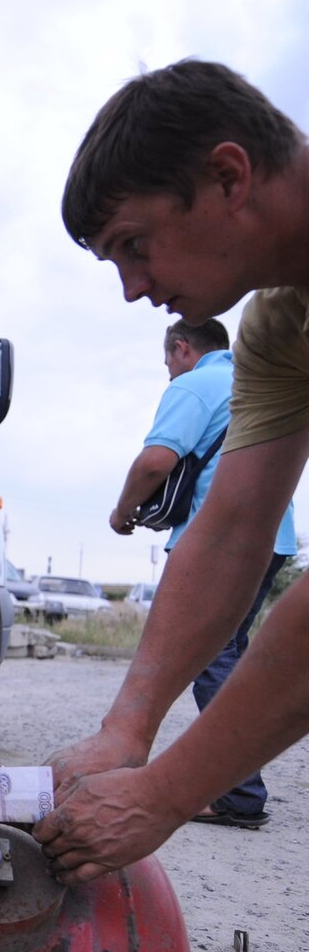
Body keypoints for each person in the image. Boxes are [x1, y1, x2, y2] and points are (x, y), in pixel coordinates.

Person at [33, 58, 309, 885]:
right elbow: (227, 532)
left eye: (135, 246)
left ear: (228, 175)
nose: (132, 289)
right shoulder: (277, 326)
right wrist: (128, 730)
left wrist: (165, 793)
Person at [109, 316, 295, 827]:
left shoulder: (196, 384)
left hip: (221, 542)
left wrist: (123, 511)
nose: (168, 372)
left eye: (168, 360)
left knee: (208, 657)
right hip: (274, 537)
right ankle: (238, 782)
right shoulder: (259, 378)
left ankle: (239, 794)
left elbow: (156, 462)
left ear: (182, 348)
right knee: (230, 654)